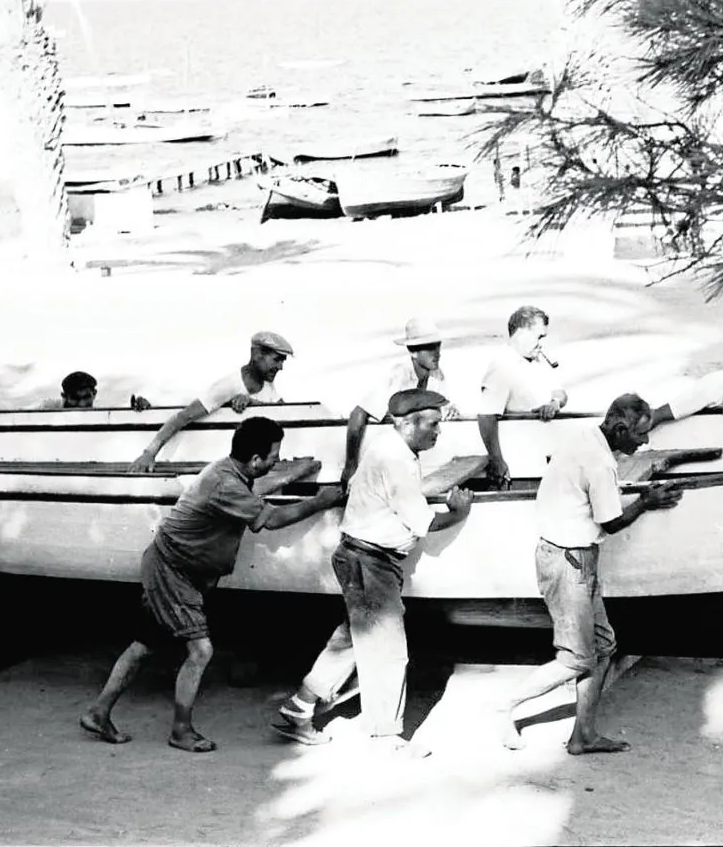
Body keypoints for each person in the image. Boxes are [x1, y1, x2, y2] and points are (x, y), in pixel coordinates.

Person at [80, 416, 345, 753]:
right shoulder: (227, 484)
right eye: (274, 457)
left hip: (173, 568)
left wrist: (295, 471)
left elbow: (256, 491)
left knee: (143, 645)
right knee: (200, 651)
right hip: (173, 573)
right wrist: (321, 501)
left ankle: (98, 712)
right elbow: (272, 519)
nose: (277, 460)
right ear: (255, 460)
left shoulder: (230, 471)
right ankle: (181, 730)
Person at [274, 389, 474, 755]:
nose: (437, 432)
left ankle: (298, 708)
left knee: (352, 639)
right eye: (432, 425)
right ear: (409, 423)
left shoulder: (388, 446)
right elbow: (422, 523)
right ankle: (385, 737)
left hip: (356, 556)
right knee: (388, 650)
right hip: (372, 561)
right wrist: (458, 512)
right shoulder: (397, 460)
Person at [499, 393, 683, 755]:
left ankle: (582, 735)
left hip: (571, 557)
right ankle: (505, 706)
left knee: (603, 648)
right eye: (640, 434)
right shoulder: (600, 463)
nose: (645, 441)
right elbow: (611, 522)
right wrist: (646, 502)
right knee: (576, 659)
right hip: (569, 562)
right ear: (619, 429)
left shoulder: (583, 436)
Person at [129, 331, 293, 473]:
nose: (280, 367)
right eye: (276, 360)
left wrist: (252, 403)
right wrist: (149, 454)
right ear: (257, 355)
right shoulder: (229, 386)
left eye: (282, 361)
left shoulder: (267, 383)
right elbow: (182, 417)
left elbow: (282, 411)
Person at [338, 317, 461, 489]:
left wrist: (450, 409)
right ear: (413, 352)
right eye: (429, 347)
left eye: (437, 345)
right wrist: (350, 465)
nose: (437, 353)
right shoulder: (399, 375)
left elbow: (442, 405)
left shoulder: (437, 375)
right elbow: (358, 413)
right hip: (385, 450)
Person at [477, 305, 568, 487]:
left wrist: (554, 403)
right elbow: (486, 416)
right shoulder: (503, 365)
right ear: (521, 332)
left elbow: (561, 393)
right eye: (539, 336)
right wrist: (497, 461)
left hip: (546, 465)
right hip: (521, 467)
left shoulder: (538, 362)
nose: (541, 343)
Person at [0, 370, 152, 414]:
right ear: (63, 397)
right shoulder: (48, 407)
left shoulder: (97, 413)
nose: (81, 405)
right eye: (75, 399)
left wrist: (144, 409)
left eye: (86, 397)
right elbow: (16, 416)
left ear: (94, 395)